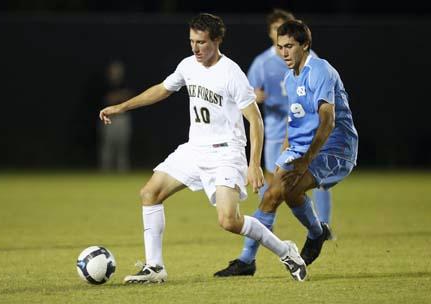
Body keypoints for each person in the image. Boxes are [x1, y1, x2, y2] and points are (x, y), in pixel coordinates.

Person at [99, 13, 308, 283]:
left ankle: (286, 251)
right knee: (149, 193)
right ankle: (155, 267)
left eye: (202, 42)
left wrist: (253, 163)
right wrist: (121, 107)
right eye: (192, 41)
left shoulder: (231, 73)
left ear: (217, 40)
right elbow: (162, 89)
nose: (195, 48)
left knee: (229, 221)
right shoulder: (188, 65)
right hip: (194, 149)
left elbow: (255, 120)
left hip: (225, 153)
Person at [216, 19, 358, 276]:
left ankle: (310, 235)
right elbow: (293, 124)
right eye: (280, 47)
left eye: (289, 46)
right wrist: (285, 157)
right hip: (304, 146)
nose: (283, 53)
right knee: (276, 194)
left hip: (335, 148)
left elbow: (328, 120)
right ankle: (312, 235)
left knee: (283, 190)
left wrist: (305, 160)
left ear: (305, 45)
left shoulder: (320, 70)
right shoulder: (289, 78)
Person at [99, 60, 133, 172]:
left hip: (123, 118)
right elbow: (108, 99)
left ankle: (122, 170)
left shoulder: (125, 83)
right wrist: (120, 96)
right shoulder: (106, 84)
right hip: (109, 118)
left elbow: (129, 96)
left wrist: (118, 96)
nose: (116, 72)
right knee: (108, 145)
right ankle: (105, 170)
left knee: (122, 145)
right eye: (113, 70)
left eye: (118, 70)